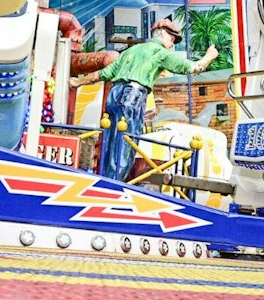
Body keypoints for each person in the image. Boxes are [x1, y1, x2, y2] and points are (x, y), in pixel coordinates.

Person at [73, 18, 216, 181]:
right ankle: (114, 185)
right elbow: (193, 68)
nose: (172, 44)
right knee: (127, 143)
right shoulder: (159, 52)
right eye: (171, 39)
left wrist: (78, 82)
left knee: (111, 139)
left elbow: (103, 73)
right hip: (132, 96)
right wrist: (208, 57)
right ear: (162, 34)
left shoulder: (131, 51)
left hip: (114, 94)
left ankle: (104, 180)